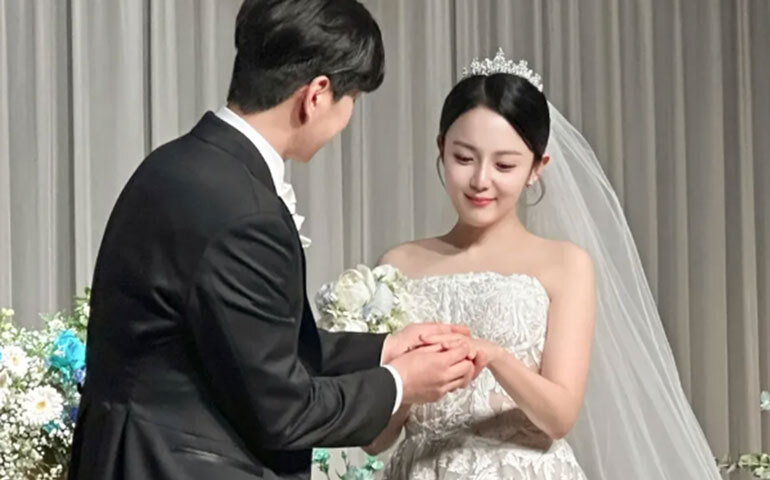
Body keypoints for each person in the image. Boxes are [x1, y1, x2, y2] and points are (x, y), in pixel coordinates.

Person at [68, 2, 476, 479]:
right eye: (352, 99)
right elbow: (283, 411)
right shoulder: (246, 210)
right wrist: (401, 383)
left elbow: (248, 342)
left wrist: (385, 348)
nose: (348, 119)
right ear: (316, 95)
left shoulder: (176, 164)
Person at [368, 49, 723, 480]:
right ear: (441, 149)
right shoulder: (398, 265)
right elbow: (375, 441)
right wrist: (410, 383)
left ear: (537, 167)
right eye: (463, 158)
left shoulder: (565, 265)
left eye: (504, 164)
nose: (480, 180)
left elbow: (559, 417)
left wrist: (495, 357)